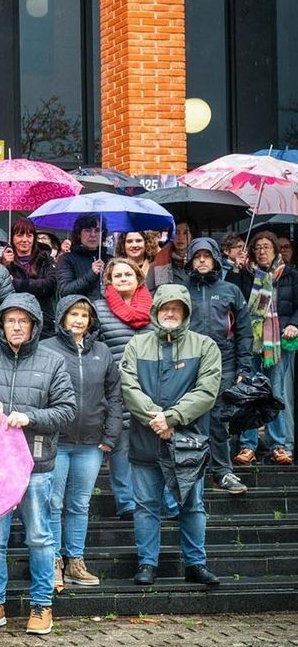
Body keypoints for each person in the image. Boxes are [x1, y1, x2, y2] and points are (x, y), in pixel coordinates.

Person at [0, 293, 76, 636]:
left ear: (35, 325)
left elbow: (66, 410)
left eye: (23, 320)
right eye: (10, 320)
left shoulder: (53, 362)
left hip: (35, 464)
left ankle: (42, 606)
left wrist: (30, 417)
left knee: (39, 537)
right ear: (0, 323)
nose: (16, 326)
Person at [120, 285, 222, 588]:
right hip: (146, 440)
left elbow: (206, 391)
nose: (170, 313)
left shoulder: (205, 346)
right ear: (155, 310)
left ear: (186, 312)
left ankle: (195, 563)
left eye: (177, 308)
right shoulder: (136, 345)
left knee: (192, 505)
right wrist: (157, 418)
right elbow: (129, 388)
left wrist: (172, 418)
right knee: (146, 505)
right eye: (165, 307)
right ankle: (147, 563)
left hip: (187, 442)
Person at [40, 295, 122, 591]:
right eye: (73, 314)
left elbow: (114, 395)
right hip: (56, 441)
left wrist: (110, 435)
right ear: (62, 317)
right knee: (52, 503)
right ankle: (52, 562)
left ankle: (75, 561)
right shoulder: (47, 349)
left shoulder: (102, 351)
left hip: (91, 443)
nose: (78, 320)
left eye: (84, 315)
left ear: (90, 321)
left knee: (79, 504)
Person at [184, 238, 252, 494]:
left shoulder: (230, 290)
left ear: (215, 259)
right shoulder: (181, 290)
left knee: (219, 420)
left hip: (225, 364)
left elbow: (245, 333)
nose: (202, 260)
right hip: (187, 364)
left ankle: (223, 472)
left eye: (207, 256)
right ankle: (192, 470)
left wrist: (244, 368)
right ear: (190, 259)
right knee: (189, 418)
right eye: (197, 255)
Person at [92, 258, 154, 520]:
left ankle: (157, 501)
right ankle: (127, 502)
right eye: (116, 276)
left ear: (139, 278)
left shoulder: (154, 306)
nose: (123, 279)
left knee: (153, 447)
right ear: (109, 281)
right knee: (121, 447)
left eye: (128, 274)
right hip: (116, 387)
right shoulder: (99, 308)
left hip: (150, 385)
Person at [230, 231, 297, 466]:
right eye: (258, 247)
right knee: (250, 394)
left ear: (276, 250)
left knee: (276, 394)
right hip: (251, 343)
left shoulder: (289, 274)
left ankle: (279, 445)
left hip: (277, 345)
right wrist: (236, 270)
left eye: (267, 247)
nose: (262, 251)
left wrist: (293, 325)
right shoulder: (245, 274)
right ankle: (248, 446)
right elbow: (233, 299)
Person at [1, 218, 58, 338]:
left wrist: (17, 283)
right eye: (19, 235)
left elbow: (50, 285)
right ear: (12, 237)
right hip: (15, 321)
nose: (25, 240)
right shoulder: (4, 261)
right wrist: (4, 265)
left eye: (29, 235)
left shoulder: (45, 258)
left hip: (43, 319)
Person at [56, 214, 110, 300]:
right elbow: (64, 291)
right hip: (81, 311)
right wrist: (91, 274)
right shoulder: (67, 259)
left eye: (97, 230)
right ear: (78, 233)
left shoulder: (110, 260)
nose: (93, 235)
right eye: (87, 230)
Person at [149, 222, 192, 288]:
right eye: (176, 233)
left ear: (192, 236)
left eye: (185, 233)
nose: (180, 237)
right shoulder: (159, 261)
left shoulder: (199, 261)